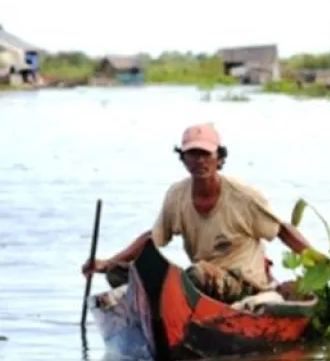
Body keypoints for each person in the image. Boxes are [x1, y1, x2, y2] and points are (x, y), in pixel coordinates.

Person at [82, 123, 317, 304]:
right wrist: (108, 263)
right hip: (201, 279)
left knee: (194, 275)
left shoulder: (243, 196)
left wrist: (321, 263)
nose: (200, 161)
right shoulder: (177, 195)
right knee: (118, 273)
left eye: (206, 155)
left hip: (243, 282)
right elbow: (154, 239)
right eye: (193, 154)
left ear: (220, 159)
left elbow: (282, 230)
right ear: (183, 159)